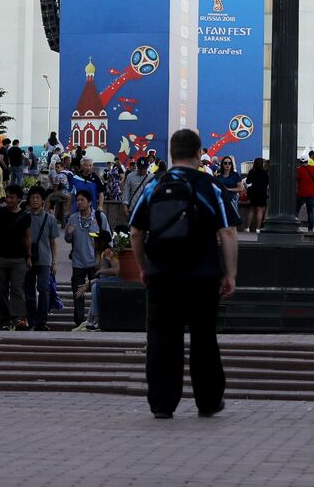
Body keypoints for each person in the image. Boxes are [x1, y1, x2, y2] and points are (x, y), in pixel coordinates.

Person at [129, 128, 239, 419]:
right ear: (199, 153)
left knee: (163, 337)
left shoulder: (154, 185)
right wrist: (230, 273)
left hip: (162, 274)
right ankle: (208, 401)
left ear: (171, 153)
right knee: (204, 337)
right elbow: (227, 231)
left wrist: (143, 267)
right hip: (203, 274)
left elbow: (136, 231)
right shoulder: (209, 185)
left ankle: (162, 404)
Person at [0, 184, 30, 330]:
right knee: (1, 290)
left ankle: (19, 319)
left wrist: (28, 257)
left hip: (18, 259)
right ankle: (4, 320)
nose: (8, 199)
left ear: (19, 199)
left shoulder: (25, 216)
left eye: (12, 197)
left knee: (17, 289)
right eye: (7, 196)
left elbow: (27, 238)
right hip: (0, 258)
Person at [65, 191, 107, 329]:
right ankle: (79, 320)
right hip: (78, 261)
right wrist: (69, 233)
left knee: (97, 291)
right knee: (77, 292)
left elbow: (108, 238)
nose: (79, 203)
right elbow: (67, 239)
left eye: (82, 200)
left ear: (90, 202)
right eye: (77, 200)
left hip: (95, 262)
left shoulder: (100, 217)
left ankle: (97, 319)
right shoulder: (72, 218)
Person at [24, 186, 61, 331]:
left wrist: (54, 262)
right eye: (32, 197)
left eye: (38, 197)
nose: (34, 200)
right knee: (28, 290)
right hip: (27, 258)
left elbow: (53, 242)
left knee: (44, 289)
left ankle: (42, 321)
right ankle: (31, 319)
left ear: (43, 201)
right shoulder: (24, 217)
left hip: (44, 259)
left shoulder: (50, 219)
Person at [244, 158, 269, 233]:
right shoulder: (264, 172)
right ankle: (258, 228)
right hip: (262, 192)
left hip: (253, 191)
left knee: (252, 209)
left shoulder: (252, 171)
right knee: (259, 210)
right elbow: (267, 182)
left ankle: (248, 227)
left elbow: (248, 181)